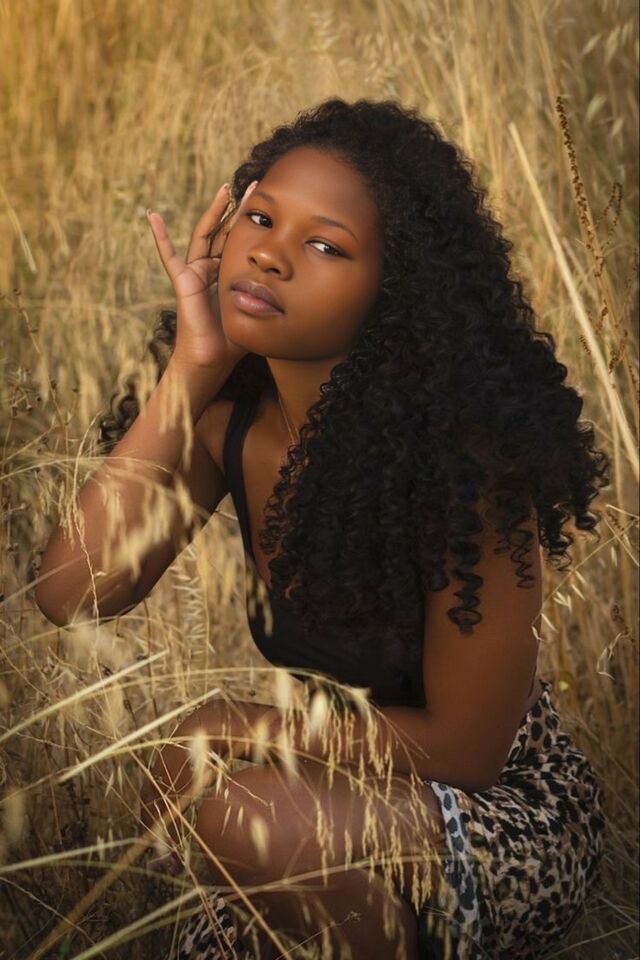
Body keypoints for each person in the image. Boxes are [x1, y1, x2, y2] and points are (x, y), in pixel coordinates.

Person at [36, 97, 609, 960]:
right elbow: (71, 592)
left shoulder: (464, 468)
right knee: (202, 806)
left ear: (393, 293)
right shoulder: (229, 421)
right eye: (261, 218)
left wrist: (239, 724)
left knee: (231, 806)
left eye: (326, 246)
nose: (269, 253)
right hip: (325, 790)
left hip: (496, 814)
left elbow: (468, 747)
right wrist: (193, 368)